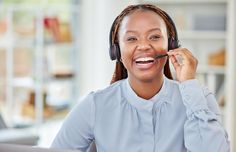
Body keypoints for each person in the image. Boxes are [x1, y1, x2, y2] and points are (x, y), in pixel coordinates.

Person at [51, 4, 230, 152]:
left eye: (155, 36)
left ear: (171, 45)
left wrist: (189, 84)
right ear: (117, 52)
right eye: (131, 39)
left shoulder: (200, 99)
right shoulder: (95, 105)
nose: (144, 46)